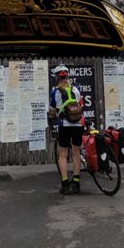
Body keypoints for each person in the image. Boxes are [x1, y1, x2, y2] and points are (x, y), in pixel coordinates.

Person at [49, 64, 83, 194]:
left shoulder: (55, 92)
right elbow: (79, 105)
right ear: (67, 76)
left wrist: (52, 116)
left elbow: (53, 112)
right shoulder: (76, 90)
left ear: (57, 78)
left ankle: (65, 183)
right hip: (78, 125)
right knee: (76, 153)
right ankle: (76, 182)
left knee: (63, 155)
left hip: (65, 125)